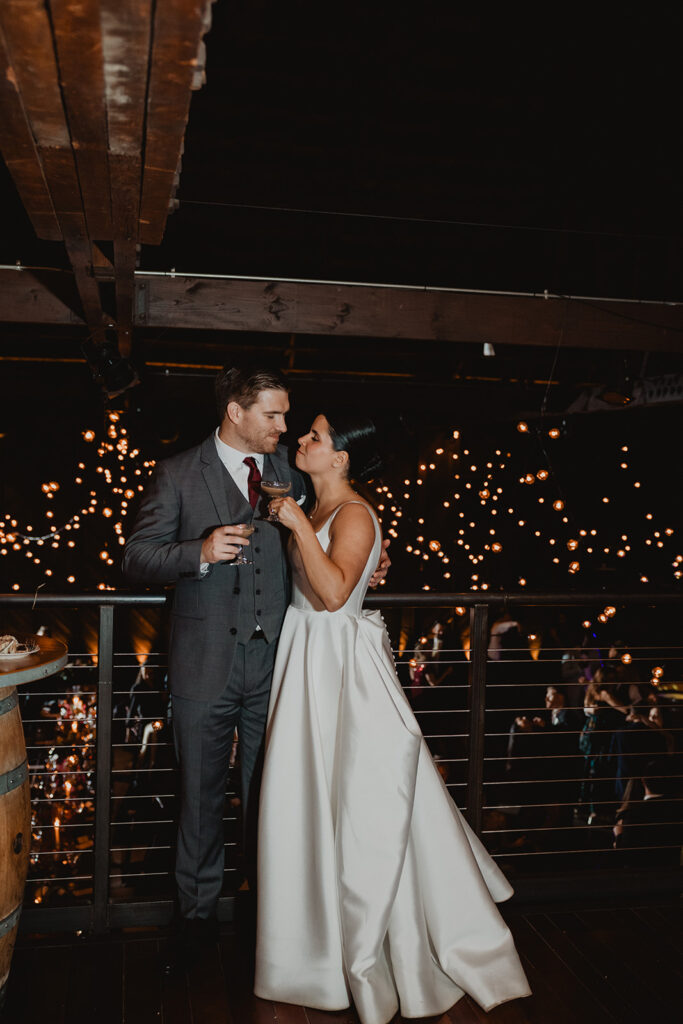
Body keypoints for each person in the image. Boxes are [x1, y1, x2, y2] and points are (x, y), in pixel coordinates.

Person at [254, 411, 530, 1023]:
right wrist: (301, 522)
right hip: (307, 658)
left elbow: (333, 596)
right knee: (313, 798)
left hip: (339, 668)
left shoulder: (352, 513)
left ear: (341, 457)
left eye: (316, 436)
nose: (303, 440)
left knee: (362, 801)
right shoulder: (316, 506)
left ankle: (381, 941)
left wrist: (296, 524)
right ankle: (314, 945)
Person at [122, 367, 389, 958]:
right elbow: (135, 557)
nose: (284, 427)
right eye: (273, 415)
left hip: (281, 664)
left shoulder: (294, 470)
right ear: (236, 413)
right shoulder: (177, 473)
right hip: (204, 663)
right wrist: (198, 551)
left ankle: (268, 914)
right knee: (199, 797)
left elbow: (340, 518)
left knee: (273, 795)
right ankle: (195, 919)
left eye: (287, 416)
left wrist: (373, 553)